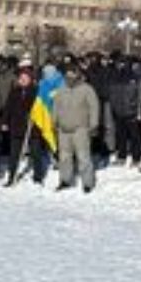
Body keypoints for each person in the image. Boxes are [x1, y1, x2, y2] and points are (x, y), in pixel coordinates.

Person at [51, 63, 101, 192]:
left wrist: (93, 124)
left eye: (72, 74)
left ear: (78, 75)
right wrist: (54, 121)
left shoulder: (87, 89)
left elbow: (94, 107)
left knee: (83, 157)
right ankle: (65, 180)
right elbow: (56, 106)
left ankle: (87, 183)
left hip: (81, 128)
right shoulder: (61, 89)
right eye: (67, 75)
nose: (70, 77)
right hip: (63, 129)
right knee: (64, 157)